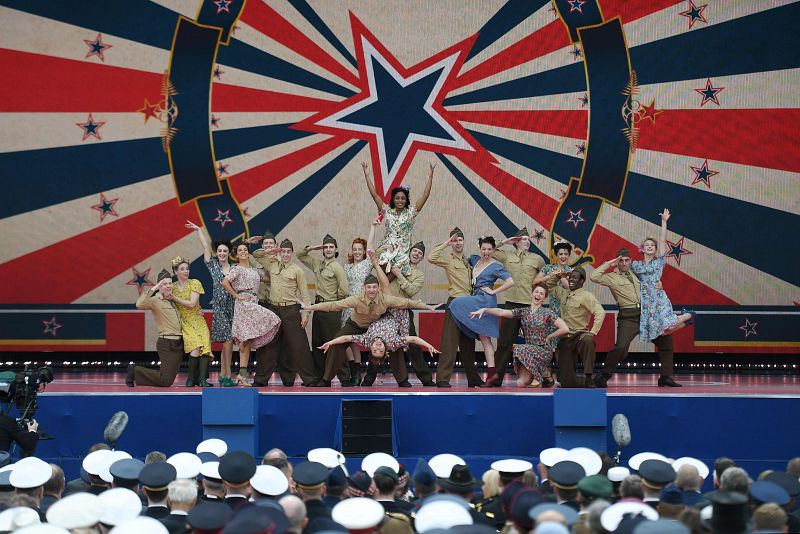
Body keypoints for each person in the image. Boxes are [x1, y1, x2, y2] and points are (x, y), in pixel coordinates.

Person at [318, 251, 440, 386]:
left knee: (401, 346)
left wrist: (427, 307)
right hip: (380, 314)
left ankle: (408, 379)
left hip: (400, 312)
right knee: (378, 347)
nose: (416, 254)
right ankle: (357, 378)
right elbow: (381, 282)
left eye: (418, 253)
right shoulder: (382, 271)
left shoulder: (413, 273)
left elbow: (407, 298)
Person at [590, 248, 682, 388]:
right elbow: (594, 276)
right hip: (628, 316)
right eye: (621, 260)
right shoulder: (611, 277)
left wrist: (659, 284)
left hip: (646, 313)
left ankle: (665, 377)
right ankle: (603, 375)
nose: (624, 263)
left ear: (630, 261)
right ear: (617, 262)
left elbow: (651, 278)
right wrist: (610, 263)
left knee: (666, 342)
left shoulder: (636, 273)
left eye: (627, 260)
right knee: (620, 348)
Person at [471, 284, 569, 388]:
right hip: (528, 354)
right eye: (536, 292)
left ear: (544, 298)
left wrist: (549, 337)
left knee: (519, 349)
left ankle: (541, 375)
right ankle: (544, 376)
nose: (538, 295)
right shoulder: (523, 312)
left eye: (541, 293)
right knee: (520, 383)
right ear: (531, 294)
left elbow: (565, 328)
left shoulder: (547, 312)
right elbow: (502, 312)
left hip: (542, 350)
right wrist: (485, 310)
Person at [448, 236, 515, 386]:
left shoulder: (496, 265)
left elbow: (511, 282)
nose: (486, 252)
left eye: (490, 249)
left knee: (455, 303)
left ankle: (492, 374)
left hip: (485, 300)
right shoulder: (474, 259)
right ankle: (492, 374)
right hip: (475, 298)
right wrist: (501, 241)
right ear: (480, 249)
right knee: (484, 339)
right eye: (484, 249)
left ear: (493, 250)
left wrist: (493, 292)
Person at [251, 239, 316, 387]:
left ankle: (309, 379)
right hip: (274, 309)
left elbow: (305, 295)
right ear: (280, 251)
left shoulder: (297, 270)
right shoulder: (272, 263)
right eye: (283, 251)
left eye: (288, 252)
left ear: (292, 253)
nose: (286, 254)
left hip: (291, 310)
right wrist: (270, 251)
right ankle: (260, 380)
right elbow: (256, 254)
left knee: (299, 346)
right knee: (268, 345)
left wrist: (305, 314)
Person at [428, 227, 484, 388]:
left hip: (469, 304)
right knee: (449, 342)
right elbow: (431, 257)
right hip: (455, 303)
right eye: (455, 240)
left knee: (468, 344)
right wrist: (446, 243)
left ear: (464, 242)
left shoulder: (469, 261)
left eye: (460, 240)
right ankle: (442, 379)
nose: (458, 243)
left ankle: (473, 378)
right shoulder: (448, 259)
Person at [220, 243, 282, 386]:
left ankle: (242, 375)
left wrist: (275, 258)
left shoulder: (254, 270)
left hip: (253, 302)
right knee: (245, 340)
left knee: (246, 341)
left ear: (248, 253)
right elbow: (224, 282)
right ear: (236, 255)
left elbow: (271, 278)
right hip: (243, 304)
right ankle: (242, 375)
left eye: (245, 250)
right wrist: (236, 295)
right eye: (240, 250)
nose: (243, 252)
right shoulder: (237, 269)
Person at [491, 227, 546, 387]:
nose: (527, 241)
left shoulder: (537, 259)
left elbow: (542, 279)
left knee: (535, 344)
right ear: (516, 242)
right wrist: (506, 241)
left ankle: (540, 378)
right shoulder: (507, 256)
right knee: (504, 343)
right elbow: (490, 251)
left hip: (530, 305)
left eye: (528, 239)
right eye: (523, 239)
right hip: (511, 303)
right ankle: (496, 378)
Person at [362, 161, 435, 276]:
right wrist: (367, 176)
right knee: (382, 270)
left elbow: (425, 195)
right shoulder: (387, 210)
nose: (400, 201)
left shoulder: (411, 212)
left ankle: (385, 292)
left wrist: (430, 176)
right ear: (393, 199)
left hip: (403, 251)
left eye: (402, 198)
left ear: (406, 200)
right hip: (387, 248)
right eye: (397, 198)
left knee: (395, 275)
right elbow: (374, 195)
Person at [632, 209, 695, 343]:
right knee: (662, 332)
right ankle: (686, 322)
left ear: (655, 249)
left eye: (652, 245)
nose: (649, 247)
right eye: (646, 245)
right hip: (646, 301)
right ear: (642, 249)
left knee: (670, 325)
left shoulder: (659, 261)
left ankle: (688, 315)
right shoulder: (636, 265)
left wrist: (664, 222)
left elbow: (662, 239)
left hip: (658, 296)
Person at [186, 221, 235, 387]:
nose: (221, 253)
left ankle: (223, 375)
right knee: (227, 342)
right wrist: (199, 230)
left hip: (233, 307)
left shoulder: (235, 268)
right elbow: (205, 247)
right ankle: (227, 376)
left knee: (228, 344)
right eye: (219, 250)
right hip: (220, 308)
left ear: (229, 253)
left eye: (224, 251)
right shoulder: (213, 265)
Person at [297, 234, 350, 386]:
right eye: (325, 247)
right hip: (318, 308)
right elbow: (300, 255)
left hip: (330, 309)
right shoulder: (317, 264)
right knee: (318, 344)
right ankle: (320, 378)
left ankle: (345, 378)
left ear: (336, 249)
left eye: (331, 247)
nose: (328, 249)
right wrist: (313, 248)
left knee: (334, 345)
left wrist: (332, 301)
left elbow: (344, 291)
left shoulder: (337, 267)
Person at [249, 231, 297, 387]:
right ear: (263, 246)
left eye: (271, 244)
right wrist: (248, 242)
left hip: (277, 304)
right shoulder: (257, 260)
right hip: (262, 305)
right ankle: (261, 378)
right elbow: (251, 253)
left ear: (276, 246)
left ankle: (288, 379)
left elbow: (281, 279)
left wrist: (265, 278)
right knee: (265, 345)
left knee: (285, 343)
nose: (268, 246)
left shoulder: (279, 260)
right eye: (266, 244)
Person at [548, 267, 605, 388]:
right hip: (566, 337)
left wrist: (593, 332)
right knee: (565, 382)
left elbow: (600, 312)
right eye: (570, 277)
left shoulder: (586, 296)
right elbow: (548, 286)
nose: (571, 279)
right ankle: (585, 382)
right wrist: (559, 275)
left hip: (580, 335)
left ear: (582, 281)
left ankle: (589, 377)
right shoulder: (563, 292)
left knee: (588, 340)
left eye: (575, 277)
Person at [388, 241, 436, 386]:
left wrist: (399, 275)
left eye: (419, 253)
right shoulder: (395, 263)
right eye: (414, 251)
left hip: (404, 310)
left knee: (413, 346)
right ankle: (400, 379)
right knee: (383, 343)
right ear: (409, 252)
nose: (416, 254)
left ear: (421, 258)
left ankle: (426, 379)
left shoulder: (419, 275)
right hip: (387, 309)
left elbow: (411, 290)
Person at [127, 270, 184, 388]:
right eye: (164, 284)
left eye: (170, 283)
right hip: (167, 343)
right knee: (166, 381)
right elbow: (139, 304)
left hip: (179, 343)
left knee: (167, 380)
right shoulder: (155, 301)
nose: (168, 285)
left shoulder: (174, 300)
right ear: (159, 287)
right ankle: (135, 371)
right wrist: (155, 288)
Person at [341, 221, 379, 384]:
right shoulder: (346, 266)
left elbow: (371, 245)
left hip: (363, 307)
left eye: (360, 249)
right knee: (347, 340)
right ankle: (355, 371)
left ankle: (369, 371)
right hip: (348, 305)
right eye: (354, 249)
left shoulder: (366, 264)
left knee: (362, 339)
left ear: (364, 251)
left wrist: (372, 227)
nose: (357, 252)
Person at [170, 256, 213, 387]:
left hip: (197, 318)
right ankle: (191, 379)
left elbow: (192, 303)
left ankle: (202, 380)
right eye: (182, 269)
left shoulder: (195, 282)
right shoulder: (172, 287)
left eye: (187, 269)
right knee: (195, 347)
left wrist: (174, 298)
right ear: (175, 272)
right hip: (185, 321)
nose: (185, 271)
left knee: (204, 345)